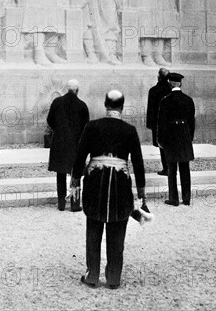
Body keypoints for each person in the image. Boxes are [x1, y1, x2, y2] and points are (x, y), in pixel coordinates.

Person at [70, 90, 146, 289]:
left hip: (95, 181)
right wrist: (141, 193)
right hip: (120, 183)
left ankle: (92, 274)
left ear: (105, 105)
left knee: (93, 229)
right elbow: (138, 162)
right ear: (122, 106)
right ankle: (113, 277)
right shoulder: (129, 130)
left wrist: (75, 182)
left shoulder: (92, 126)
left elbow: (79, 156)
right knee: (117, 230)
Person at [46, 79, 90, 211]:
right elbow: (85, 127)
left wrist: (58, 132)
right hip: (75, 144)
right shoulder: (82, 105)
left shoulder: (57, 102)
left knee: (60, 173)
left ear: (67, 89)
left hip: (59, 142)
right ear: (77, 90)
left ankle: (60, 203)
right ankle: (75, 203)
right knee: (75, 174)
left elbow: (50, 120)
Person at [157, 72, 195, 206]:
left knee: (172, 169)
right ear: (180, 83)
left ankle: (174, 198)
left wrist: (160, 140)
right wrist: (190, 137)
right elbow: (192, 121)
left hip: (171, 135)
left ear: (170, 83)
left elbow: (161, 123)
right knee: (185, 168)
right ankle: (186, 198)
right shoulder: (188, 100)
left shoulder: (165, 101)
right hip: (184, 134)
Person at [146, 67, 172, 175]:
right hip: (170, 123)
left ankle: (166, 168)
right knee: (170, 146)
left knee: (162, 147)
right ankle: (171, 168)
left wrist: (150, 124)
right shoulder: (170, 90)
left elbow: (151, 109)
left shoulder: (153, 90)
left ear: (158, 77)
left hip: (158, 123)